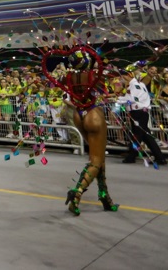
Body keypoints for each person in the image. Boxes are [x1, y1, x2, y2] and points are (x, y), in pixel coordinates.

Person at [49, 48, 119, 216]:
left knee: (98, 157)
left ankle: (105, 197)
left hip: (78, 115)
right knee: (96, 160)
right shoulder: (94, 76)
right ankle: (77, 193)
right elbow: (110, 85)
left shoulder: (68, 77)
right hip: (93, 114)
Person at [117, 68, 167, 166]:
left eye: (122, 77)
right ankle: (160, 158)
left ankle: (131, 156)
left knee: (137, 135)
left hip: (138, 112)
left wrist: (118, 100)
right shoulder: (138, 84)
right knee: (146, 136)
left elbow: (132, 99)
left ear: (127, 76)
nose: (121, 79)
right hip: (140, 112)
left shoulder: (135, 85)